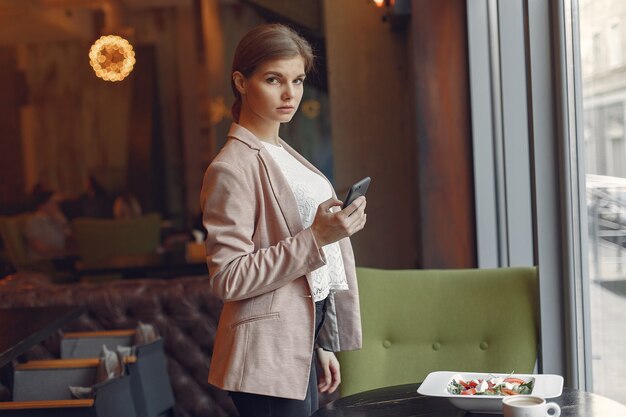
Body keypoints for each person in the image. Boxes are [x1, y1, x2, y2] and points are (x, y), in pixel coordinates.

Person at [200, 23, 367, 417]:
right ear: (241, 81)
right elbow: (229, 277)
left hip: (296, 341)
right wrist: (316, 238)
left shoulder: (283, 154)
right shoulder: (231, 168)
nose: (290, 93)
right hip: (264, 352)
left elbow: (307, 272)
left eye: (298, 80)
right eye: (274, 80)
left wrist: (317, 343)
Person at [23, 191, 75, 261]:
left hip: (59, 259)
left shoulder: (56, 219)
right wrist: (63, 253)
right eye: (54, 203)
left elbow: (70, 241)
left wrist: (64, 223)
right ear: (43, 205)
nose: (57, 206)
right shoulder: (34, 221)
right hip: (43, 261)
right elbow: (40, 248)